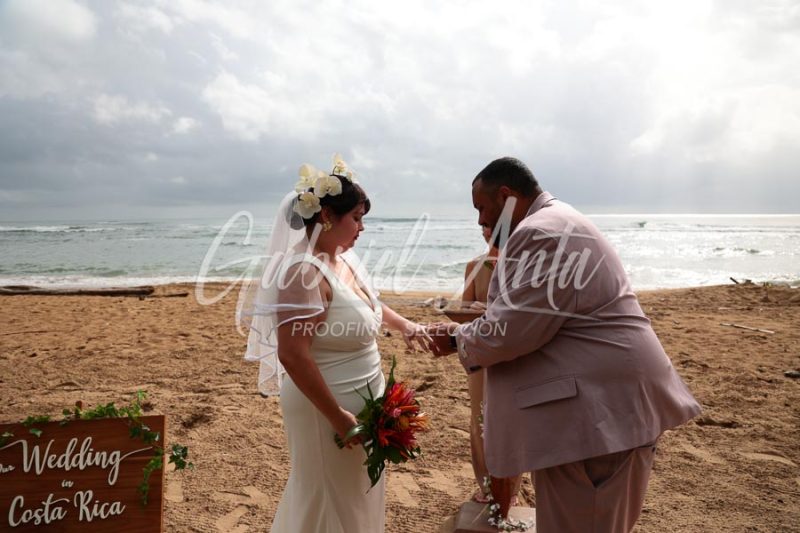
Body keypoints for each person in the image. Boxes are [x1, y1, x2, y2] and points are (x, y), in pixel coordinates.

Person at [428, 157, 701, 532]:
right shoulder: (558, 220)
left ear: (507, 196)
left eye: (482, 208)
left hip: (596, 418)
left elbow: (514, 329)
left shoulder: (538, 233)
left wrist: (454, 338)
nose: (479, 221)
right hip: (603, 413)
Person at [239, 155, 430, 533]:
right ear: (326, 215)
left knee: (355, 502)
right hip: (324, 410)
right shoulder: (301, 272)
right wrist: (337, 417)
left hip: (363, 404)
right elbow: (292, 354)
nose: (361, 228)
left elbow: (365, 302)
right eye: (356, 218)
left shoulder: (344, 258)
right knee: (327, 502)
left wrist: (405, 325)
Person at [461, 226, 522, 505]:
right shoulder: (475, 266)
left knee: (508, 416)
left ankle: (508, 487)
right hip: (481, 353)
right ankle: (488, 485)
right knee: (479, 416)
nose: (488, 233)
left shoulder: (519, 267)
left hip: (508, 352)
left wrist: (486, 313)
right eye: (486, 228)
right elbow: (462, 314)